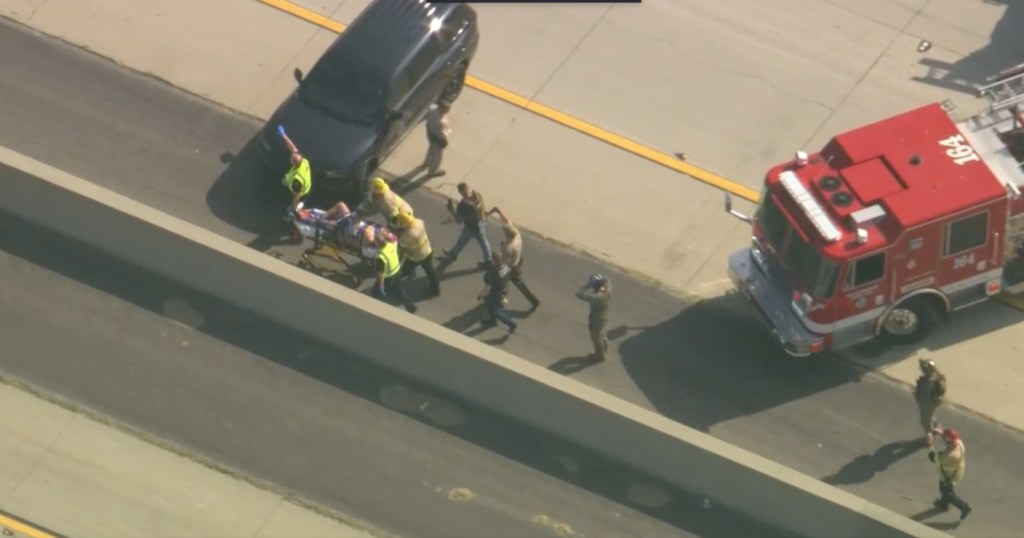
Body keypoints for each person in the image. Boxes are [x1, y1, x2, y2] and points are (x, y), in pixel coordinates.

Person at [490, 207, 540, 311]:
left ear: (507, 235)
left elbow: (504, 263)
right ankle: (503, 294)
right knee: (507, 281)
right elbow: (507, 221)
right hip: (518, 259)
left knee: (510, 281)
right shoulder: (516, 234)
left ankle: (533, 300)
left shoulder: (507, 247)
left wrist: (496, 260)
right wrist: (499, 212)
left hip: (511, 267)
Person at [442, 182, 492, 269]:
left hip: (471, 227)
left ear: (460, 192)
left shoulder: (463, 206)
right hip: (481, 223)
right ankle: (488, 261)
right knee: (483, 242)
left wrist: (451, 209)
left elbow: (458, 220)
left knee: (463, 240)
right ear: (468, 188)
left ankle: (454, 254)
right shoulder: (478, 196)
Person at [928, 427, 972, 520]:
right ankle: (944, 506)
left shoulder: (949, 456)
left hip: (949, 476)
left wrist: (930, 444)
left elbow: (932, 458)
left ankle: (964, 507)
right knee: (944, 489)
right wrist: (939, 433)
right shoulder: (959, 443)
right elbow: (949, 438)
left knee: (947, 493)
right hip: (957, 470)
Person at [394, 212, 440, 297]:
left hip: (416, 256)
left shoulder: (408, 235)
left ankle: (392, 283)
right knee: (431, 272)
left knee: (404, 270)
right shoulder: (419, 222)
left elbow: (402, 247)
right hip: (427, 250)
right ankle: (435, 290)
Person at [371, 230, 417, 314]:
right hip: (397, 272)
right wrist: (386, 234)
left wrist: (381, 286)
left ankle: (373, 306)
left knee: (375, 292)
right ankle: (411, 307)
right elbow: (394, 239)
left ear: (377, 244)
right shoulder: (391, 245)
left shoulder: (380, 257)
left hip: (389, 277)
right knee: (399, 291)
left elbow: (380, 274)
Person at [477, 252, 517, 333]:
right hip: (504, 289)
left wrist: (480, 295)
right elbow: (508, 276)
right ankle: (492, 321)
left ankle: (511, 323)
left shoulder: (493, 272)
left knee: (494, 309)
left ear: (494, 261)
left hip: (496, 293)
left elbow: (487, 288)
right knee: (492, 307)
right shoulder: (505, 267)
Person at [576, 274, 612, 362]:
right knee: (600, 331)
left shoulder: (597, 297)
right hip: (603, 313)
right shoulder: (607, 287)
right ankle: (604, 347)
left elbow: (580, 294)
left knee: (596, 335)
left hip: (597, 317)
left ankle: (599, 355)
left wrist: (587, 286)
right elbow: (606, 279)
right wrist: (598, 278)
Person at [277, 125, 312, 215]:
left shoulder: (297, 179)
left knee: (296, 207)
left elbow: (297, 194)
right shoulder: (303, 161)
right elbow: (292, 147)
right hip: (307, 184)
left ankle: (295, 210)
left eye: (292, 158)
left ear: (294, 163)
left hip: (303, 192)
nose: (291, 155)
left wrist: (293, 206)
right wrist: (283, 135)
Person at [413, 100, 451, 179]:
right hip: (437, 138)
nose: (448, 111)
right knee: (437, 157)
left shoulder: (431, 108)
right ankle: (433, 172)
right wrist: (445, 137)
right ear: (442, 109)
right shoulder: (441, 122)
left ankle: (426, 163)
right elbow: (442, 134)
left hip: (430, 133)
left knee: (431, 149)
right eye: (447, 109)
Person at [915, 358, 947, 444]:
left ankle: (928, 433)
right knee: (928, 415)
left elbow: (940, 391)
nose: (923, 371)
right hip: (924, 400)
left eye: (924, 369)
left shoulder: (933, 380)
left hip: (929, 401)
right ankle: (936, 426)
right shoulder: (931, 378)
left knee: (924, 418)